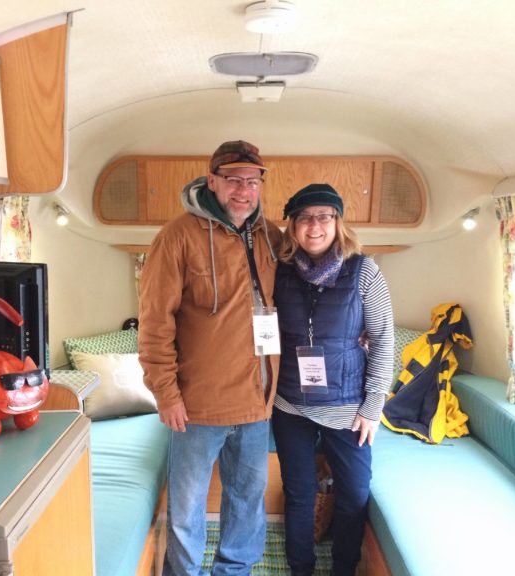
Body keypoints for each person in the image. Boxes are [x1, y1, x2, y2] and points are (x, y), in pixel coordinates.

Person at [138, 140, 283, 575]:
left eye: (253, 181)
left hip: (257, 403)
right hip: (197, 405)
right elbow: (155, 322)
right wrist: (166, 394)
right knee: (186, 507)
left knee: (247, 501)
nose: (244, 190)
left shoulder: (271, 236)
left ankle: (233, 571)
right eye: (234, 180)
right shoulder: (176, 237)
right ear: (212, 181)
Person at [272, 183, 394, 576]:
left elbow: (383, 338)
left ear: (338, 222)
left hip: (347, 409)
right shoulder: (279, 271)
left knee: (354, 493)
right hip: (290, 404)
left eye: (324, 216)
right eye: (305, 218)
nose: (314, 226)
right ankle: (300, 569)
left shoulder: (364, 271)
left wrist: (373, 407)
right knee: (299, 493)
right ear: (293, 226)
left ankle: (343, 569)